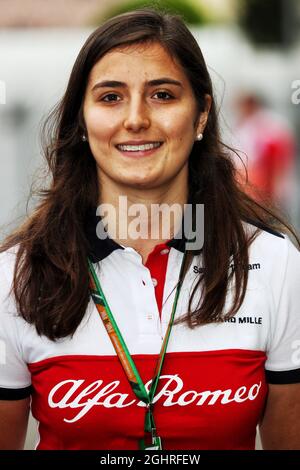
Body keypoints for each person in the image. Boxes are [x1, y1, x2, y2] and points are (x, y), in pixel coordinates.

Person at [0, 8, 300, 451]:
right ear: (81, 120)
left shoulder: (275, 264)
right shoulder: (15, 274)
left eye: (162, 94)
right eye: (110, 97)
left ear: (200, 116)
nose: (136, 118)